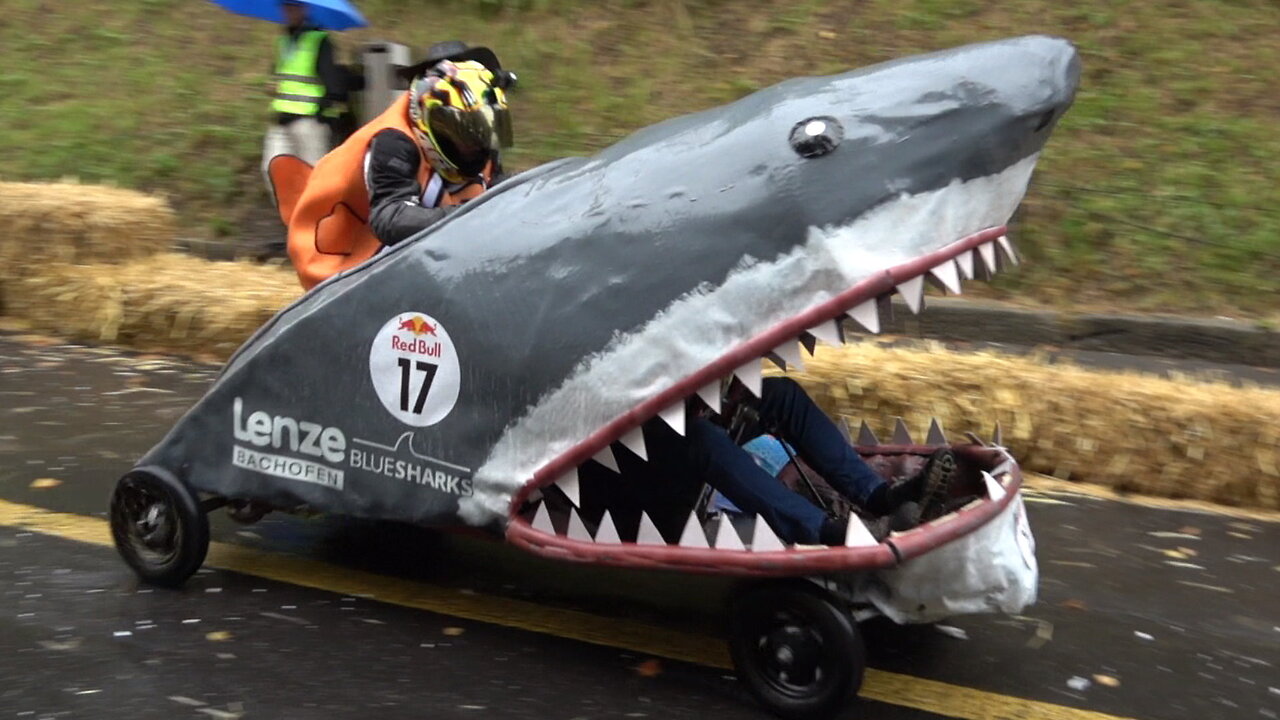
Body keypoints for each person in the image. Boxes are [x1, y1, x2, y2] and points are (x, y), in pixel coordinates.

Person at [269, 41, 515, 289]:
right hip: (345, 266)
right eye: (462, 131)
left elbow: (498, 189)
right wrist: (470, 217)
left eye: (481, 129)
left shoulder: (481, 140)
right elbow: (391, 218)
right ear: (430, 119)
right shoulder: (394, 140)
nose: (475, 143)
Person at [650, 377, 955, 546]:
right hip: (640, 461)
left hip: (679, 414)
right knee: (700, 437)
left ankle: (878, 496)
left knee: (781, 394)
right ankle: (824, 531)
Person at [262, 1, 348, 181]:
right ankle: (292, 201)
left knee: (313, 176)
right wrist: (273, 84)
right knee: (271, 170)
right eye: (285, 6)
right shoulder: (284, 40)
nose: (288, 10)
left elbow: (333, 82)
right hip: (282, 118)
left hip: (309, 121)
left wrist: (321, 110)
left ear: (304, 8)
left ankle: (320, 201)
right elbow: (283, 73)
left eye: (293, 6)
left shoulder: (320, 40)